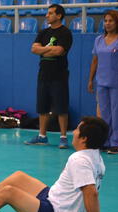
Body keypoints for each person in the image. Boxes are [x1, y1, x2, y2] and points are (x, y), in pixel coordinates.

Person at [25, 4, 73, 149]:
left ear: (59, 16)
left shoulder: (65, 33)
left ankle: (63, 137)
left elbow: (59, 51)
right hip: (43, 74)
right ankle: (42, 136)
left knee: (61, 107)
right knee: (42, 107)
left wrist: (43, 50)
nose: (47, 15)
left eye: (50, 13)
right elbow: (33, 49)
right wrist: (48, 49)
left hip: (59, 75)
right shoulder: (43, 32)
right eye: (47, 13)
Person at [87, 10, 118, 155]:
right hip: (101, 81)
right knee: (104, 113)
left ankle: (116, 142)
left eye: (111, 21)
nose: (107, 23)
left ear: (117, 23)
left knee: (117, 113)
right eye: (106, 20)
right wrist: (90, 79)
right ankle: (106, 141)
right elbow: (95, 61)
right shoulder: (99, 40)